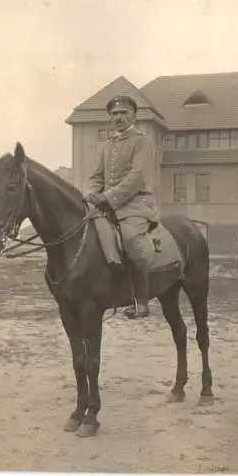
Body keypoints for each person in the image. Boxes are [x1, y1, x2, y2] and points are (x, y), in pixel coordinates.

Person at [83, 95, 160, 318]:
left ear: (133, 115)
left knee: (130, 239)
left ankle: (141, 301)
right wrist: (91, 193)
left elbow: (136, 178)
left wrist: (107, 197)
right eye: (114, 114)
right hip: (107, 205)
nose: (119, 117)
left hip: (136, 204)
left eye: (124, 113)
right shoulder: (107, 145)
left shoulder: (142, 142)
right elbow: (97, 176)